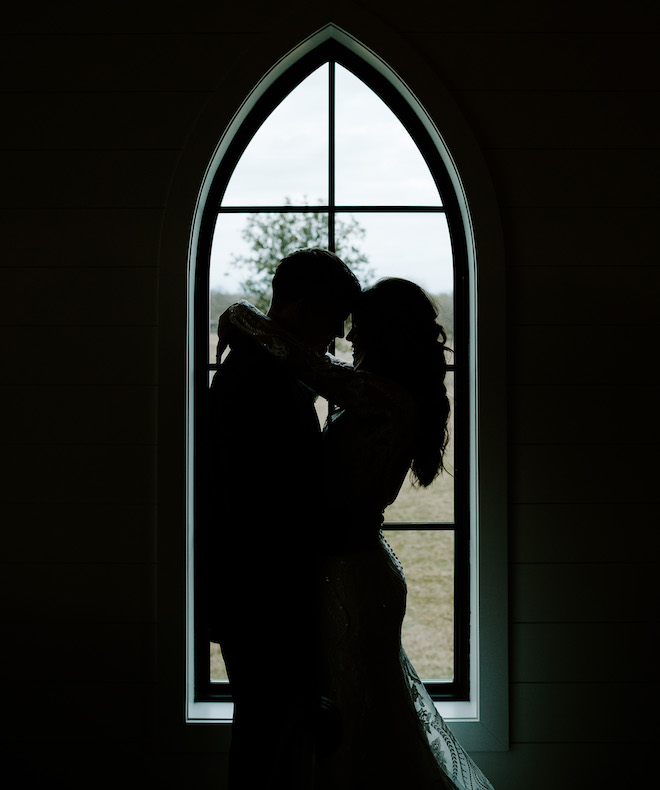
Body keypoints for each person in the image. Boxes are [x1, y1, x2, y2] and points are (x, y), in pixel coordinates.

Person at [217, 276, 495, 790]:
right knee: (368, 713)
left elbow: (303, 360)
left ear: (385, 332)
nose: (347, 337)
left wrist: (237, 312)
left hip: (348, 575)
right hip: (360, 566)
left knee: (356, 722)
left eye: (359, 325)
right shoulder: (392, 395)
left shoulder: (378, 394)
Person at [204, 248, 361, 790]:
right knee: (264, 732)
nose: (338, 334)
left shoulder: (271, 366)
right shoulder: (255, 379)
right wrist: (338, 530)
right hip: (259, 591)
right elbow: (259, 499)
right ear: (299, 308)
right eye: (333, 316)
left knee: (272, 729)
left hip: (263, 588)